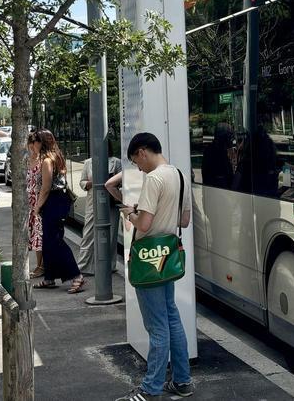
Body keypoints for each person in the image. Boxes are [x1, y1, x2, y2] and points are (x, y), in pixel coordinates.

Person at [116, 132, 193, 401]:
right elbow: (184, 221)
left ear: (143, 152)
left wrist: (131, 213)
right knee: (172, 319)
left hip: (148, 259)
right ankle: (183, 381)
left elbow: (145, 225)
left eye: (137, 161)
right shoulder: (179, 175)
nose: (138, 167)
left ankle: (150, 389)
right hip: (168, 257)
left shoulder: (154, 178)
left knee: (158, 328)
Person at [29, 130, 86, 293]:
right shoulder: (57, 156)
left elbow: (46, 188)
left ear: (41, 143)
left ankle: (77, 276)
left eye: (36, 141)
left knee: (55, 240)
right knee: (48, 240)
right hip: (59, 200)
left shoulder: (47, 161)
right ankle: (49, 277)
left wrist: (37, 206)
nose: (34, 145)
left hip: (53, 201)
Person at [76, 136, 123, 277]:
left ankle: (109, 266)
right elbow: (82, 182)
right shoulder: (88, 163)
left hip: (111, 203)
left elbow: (121, 183)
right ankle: (84, 266)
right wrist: (91, 183)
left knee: (111, 235)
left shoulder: (116, 162)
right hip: (93, 202)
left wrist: (111, 182)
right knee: (89, 234)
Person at [26, 137, 45, 277]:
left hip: (40, 202)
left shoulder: (43, 161)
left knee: (39, 234)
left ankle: (41, 266)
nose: (32, 148)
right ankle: (40, 265)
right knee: (33, 235)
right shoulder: (25, 161)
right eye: (30, 145)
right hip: (28, 203)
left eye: (34, 145)